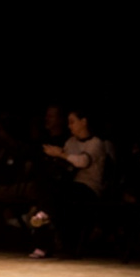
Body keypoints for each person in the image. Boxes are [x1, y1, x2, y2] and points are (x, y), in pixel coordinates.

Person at [28, 106, 108, 259]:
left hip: (89, 188)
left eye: (72, 122)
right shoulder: (71, 142)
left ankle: (44, 225)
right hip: (70, 186)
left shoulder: (96, 143)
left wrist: (61, 154)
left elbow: (83, 161)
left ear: (83, 122)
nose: (69, 126)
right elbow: (65, 165)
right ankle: (42, 240)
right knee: (49, 190)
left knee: (54, 198)